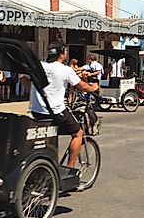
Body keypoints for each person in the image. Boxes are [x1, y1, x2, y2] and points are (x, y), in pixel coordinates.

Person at [29, 41, 99, 169]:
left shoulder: (38, 66)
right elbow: (82, 86)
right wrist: (93, 87)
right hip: (56, 112)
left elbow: (23, 77)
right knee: (78, 133)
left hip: (36, 111)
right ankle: (70, 168)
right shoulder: (65, 69)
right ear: (62, 54)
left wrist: (33, 92)